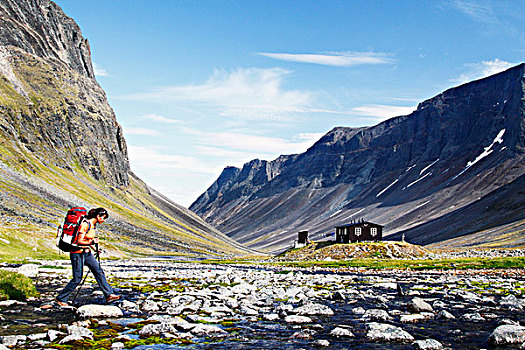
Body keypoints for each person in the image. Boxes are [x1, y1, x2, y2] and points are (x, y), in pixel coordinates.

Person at [56, 207, 120, 306]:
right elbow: (78, 241)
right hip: (77, 253)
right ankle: (61, 298)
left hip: (87, 253)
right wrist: (92, 241)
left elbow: (86, 239)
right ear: (98, 216)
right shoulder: (85, 224)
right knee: (77, 278)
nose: (103, 220)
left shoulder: (92, 225)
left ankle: (109, 295)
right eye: (103, 218)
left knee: (98, 271)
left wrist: (95, 249)